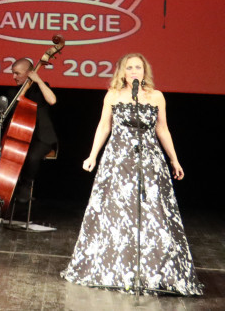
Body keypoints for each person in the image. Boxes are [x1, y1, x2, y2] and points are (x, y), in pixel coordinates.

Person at [61, 54, 202, 295]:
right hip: (117, 161)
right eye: (130, 67)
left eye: (138, 67)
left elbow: (162, 128)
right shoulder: (113, 95)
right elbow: (104, 126)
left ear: (144, 71)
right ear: (122, 72)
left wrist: (174, 159)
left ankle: (152, 272)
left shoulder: (156, 96)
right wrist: (93, 155)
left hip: (148, 162)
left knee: (152, 214)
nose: (134, 71)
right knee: (117, 214)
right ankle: (115, 270)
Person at [8, 57, 57, 202]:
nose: (14, 77)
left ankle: (26, 184)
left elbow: (52, 100)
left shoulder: (41, 88)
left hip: (42, 137)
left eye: (17, 73)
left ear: (29, 73)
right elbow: (17, 106)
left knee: (32, 156)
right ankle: (9, 189)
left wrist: (38, 80)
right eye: (13, 73)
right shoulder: (13, 92)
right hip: (20, 136)